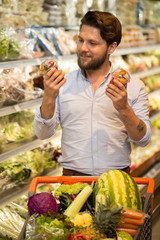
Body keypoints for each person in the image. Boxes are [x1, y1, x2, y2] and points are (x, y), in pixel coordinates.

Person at [33, 11, 152, 176]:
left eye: (92, 43)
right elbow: (42, 133)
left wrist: (123, 108)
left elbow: (143, 139)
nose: (83, 48)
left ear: (111, 47)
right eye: (80, 40)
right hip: (72, 182)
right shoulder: (63, 84)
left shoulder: (132, 86)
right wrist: (49, 97)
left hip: (117, 182)